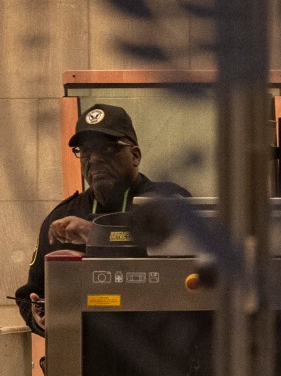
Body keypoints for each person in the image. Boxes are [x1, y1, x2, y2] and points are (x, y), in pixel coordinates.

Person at [13, 103, 188, 335]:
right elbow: (29, 295)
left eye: (107, 148)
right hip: (87, 351)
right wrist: (41, 319)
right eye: (85, 151)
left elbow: (168, 248)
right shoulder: (62, 218)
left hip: (156, 350)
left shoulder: (167, 200)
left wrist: (96, 234)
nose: (94, 159)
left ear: (135, 155)